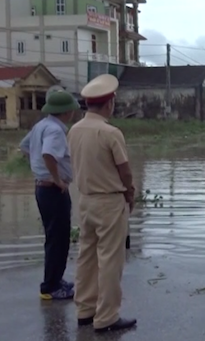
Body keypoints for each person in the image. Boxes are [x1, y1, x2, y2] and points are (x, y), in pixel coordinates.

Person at [67, 74, 137, 333]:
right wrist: (130, 194)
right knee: (110, 260)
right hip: (109, 201)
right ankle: (107, 316)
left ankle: (85, 310)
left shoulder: (74, 130)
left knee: (86, 255)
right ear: (109, 104)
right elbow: (125, 171)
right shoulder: (110, 133)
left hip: (84, 201)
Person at [20, 89, 80, 300]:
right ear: (67, 111)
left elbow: (25, 146)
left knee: (54, 237)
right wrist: (56, 178)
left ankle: (55, 280)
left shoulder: (41, 125)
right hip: (52, 190)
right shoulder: (55, 130)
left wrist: (39, 168)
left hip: (42, 188)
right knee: (59, 239)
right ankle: (50, 287)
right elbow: (48, 154)